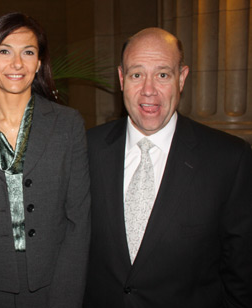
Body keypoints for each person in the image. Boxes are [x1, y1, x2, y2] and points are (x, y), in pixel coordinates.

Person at [84, 27, 252, 307]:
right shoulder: (86, 149)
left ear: (182, 78)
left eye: (163, 75)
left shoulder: (230, 159)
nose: (149, 90)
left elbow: (242, 276)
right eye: (137, 75)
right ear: (122, 79)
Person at [0, 12, 90, 308]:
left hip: (54, 284)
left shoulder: (67, 125)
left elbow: (79, 221)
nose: (17, 64)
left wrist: (66, 296)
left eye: (28, 52)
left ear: (39, 63)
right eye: (4, 51)